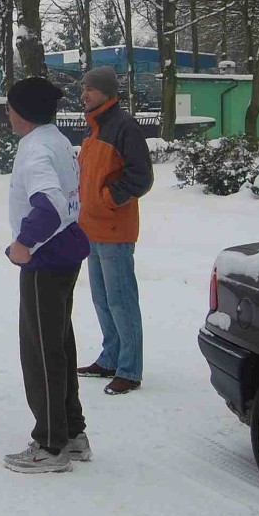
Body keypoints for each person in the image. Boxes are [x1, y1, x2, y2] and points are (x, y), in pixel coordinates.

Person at [2, 77, 92, 474]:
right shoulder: (55, 139)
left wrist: (24, 242)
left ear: (22, 112)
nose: (6, 113)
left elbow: (51, 204)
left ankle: (51, 445)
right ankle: (72, 433)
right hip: (65, 253)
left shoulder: (36, 148)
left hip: (45, 258)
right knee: (60, 344)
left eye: (9, 107)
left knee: (41, 351)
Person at [75, 66, 153, 395]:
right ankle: (110, 358)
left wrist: (108, 199)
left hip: (115, 229)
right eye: (84, 88)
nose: (85, 94)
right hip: (91, 229)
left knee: (121, 301)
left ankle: (129, 368)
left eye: (90, 89)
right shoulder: (95, 127)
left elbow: (141, 177)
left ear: (107, 92)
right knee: (102, 300)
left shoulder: (124, 126)